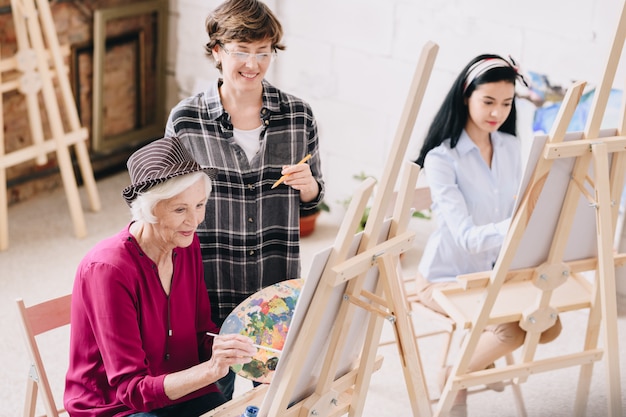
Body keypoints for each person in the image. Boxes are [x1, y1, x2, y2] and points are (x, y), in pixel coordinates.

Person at [164, 0, 325, 399]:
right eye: (241, 51)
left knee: (272, 400)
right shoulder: (186, 121)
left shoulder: (298, 116)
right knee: (208, 400)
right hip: (208, 286)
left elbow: (312, 203)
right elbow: (167, 208)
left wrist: (309, 187)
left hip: (275, 287)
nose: (252, 64)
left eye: (263, 52)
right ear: (218, 52)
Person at [64, 137, 257, 417]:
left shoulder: (186, 244)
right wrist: (211, 370)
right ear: (149, 210)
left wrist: (231, 348)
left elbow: (201, 333)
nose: (194, 221)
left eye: (200, 205)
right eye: (180, 209)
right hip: (118, 407)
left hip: (180, 389)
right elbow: (132, 390)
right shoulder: (108, 270)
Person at [413, 54, 562, 417]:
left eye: (507, 103)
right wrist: (520, 225)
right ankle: (454, 377)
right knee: (513, 332)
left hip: (494, 274)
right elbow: (465, 237)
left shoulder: (511, 147)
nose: (497, 112)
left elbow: (518, 207)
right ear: (467, 96)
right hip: (444, 278)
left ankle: (469, 363)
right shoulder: (441, 158)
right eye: (488, 101)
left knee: (550, 325)